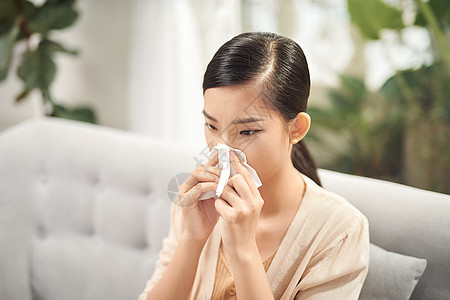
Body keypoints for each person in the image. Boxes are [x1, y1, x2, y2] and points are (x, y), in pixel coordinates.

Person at [138, 32, 369, 300]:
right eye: (211, 126)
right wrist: (192, 239)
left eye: (247, 132)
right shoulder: (195, 203)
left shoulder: (340, 230)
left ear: (296, 129)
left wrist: (244, 250)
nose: (221, 148)